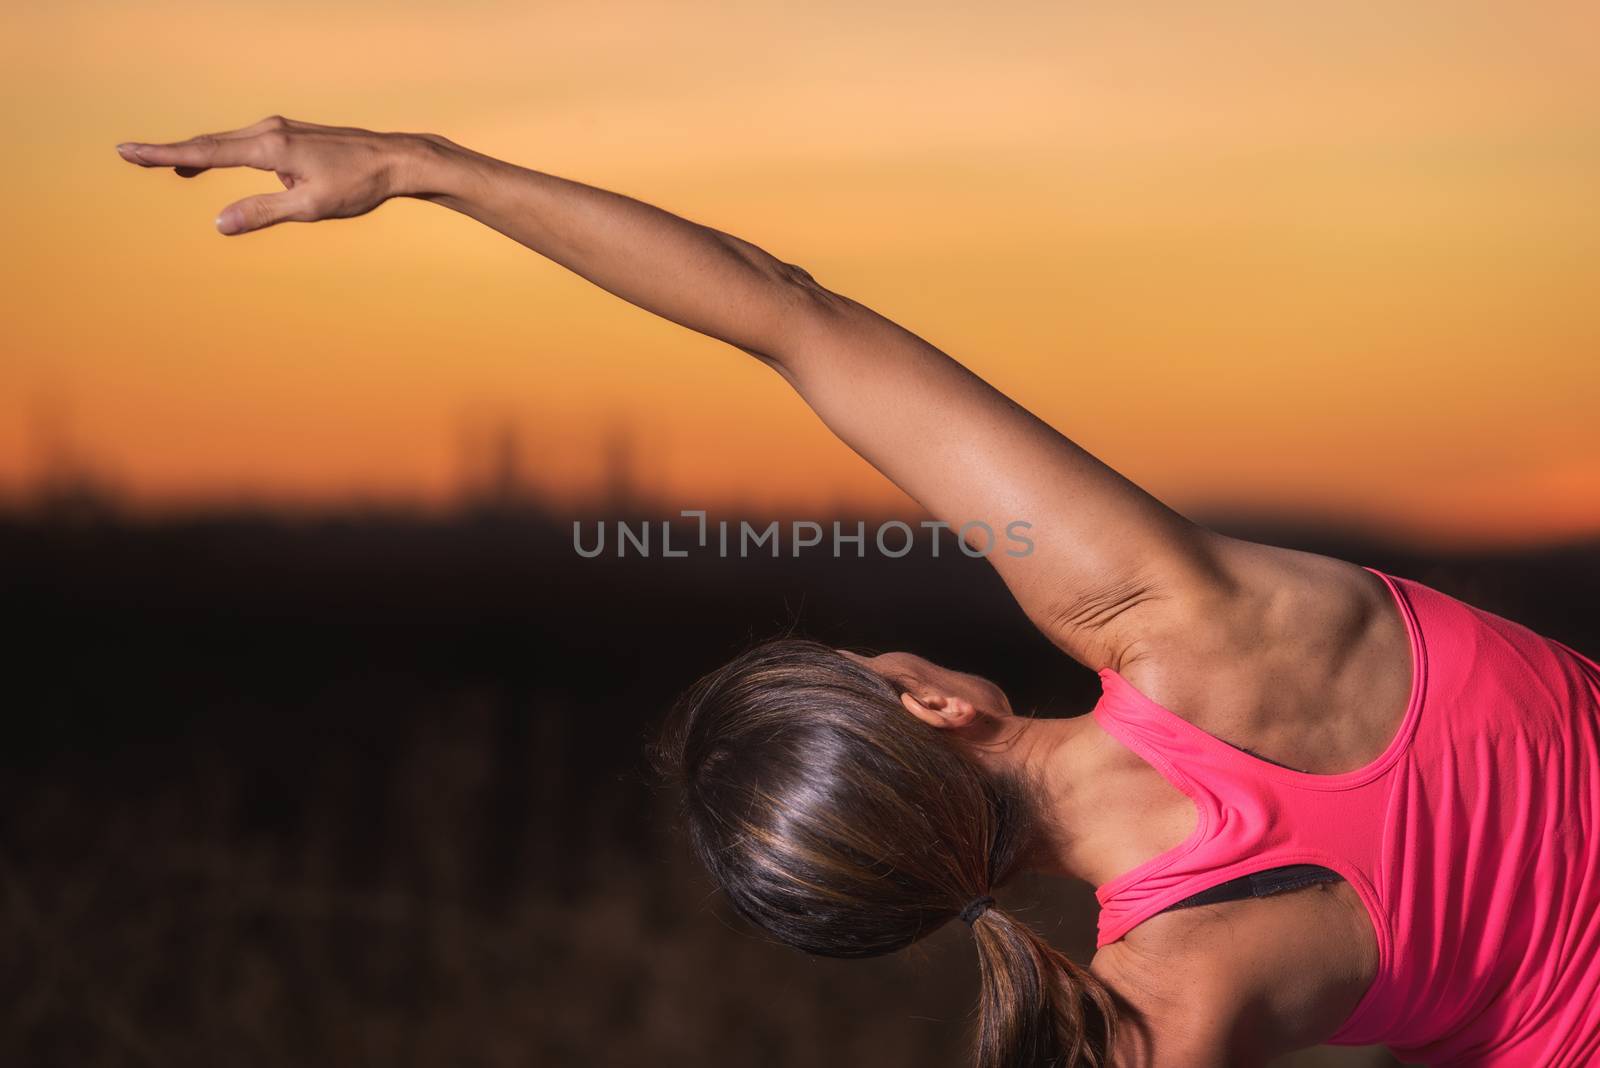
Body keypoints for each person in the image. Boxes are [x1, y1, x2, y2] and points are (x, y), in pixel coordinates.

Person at [118, 117, 1600, 1067]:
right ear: (940, 705)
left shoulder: (1164, 1005)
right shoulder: (1166, 615)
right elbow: (790, 317)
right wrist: (430, 167)